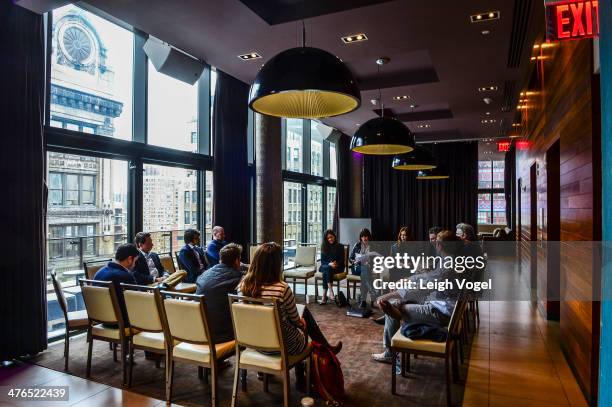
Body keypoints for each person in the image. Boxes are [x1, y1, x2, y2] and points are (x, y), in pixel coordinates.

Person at [371, 230, 462, 363]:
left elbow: (422, 288)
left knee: (392, 305)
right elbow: (426, 278)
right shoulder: (450, 260)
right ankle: (393, 310)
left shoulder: (447, 267)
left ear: (439, 246)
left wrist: (389, 294)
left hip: (439, 312)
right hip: (439, 305)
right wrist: (408, 279)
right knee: (395, 303)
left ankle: (390, 352)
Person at [238, 242, 341, 356]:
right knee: (303, 314)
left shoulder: (243, 287)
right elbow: (296, 321)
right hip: (285, 346)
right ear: (276, 265)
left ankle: (263, 372)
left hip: (255, 343)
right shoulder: (282, 289)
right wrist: (302, 323)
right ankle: (326, 350)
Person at [196, 243, 245, 344]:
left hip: (200, 331)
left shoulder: (203, 275)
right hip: (223, 334)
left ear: (221, 259)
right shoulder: (239, 279)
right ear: (237, 261)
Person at [93, 243, 139, 323]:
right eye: (135, 261)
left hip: (100, 320)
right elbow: (136, 302)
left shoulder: (99, 272)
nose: (135, 265)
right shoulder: (125, 276)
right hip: (121, 323)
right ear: (129, 259)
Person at [349, 228, 379, 307]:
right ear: (360, 238)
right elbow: (351, 258)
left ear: (369, 237)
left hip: (368, 268)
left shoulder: (374, 246)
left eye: (366, 236)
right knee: (364, 270)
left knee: (364, 274)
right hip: (356, 267)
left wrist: (369, 262)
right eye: (362, 236)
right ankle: (373, 293)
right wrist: (354, 261)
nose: (364, 238)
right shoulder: (357, 245)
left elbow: (377, 259)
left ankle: (363, 300)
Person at [318, 230, 345, 305]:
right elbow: (323, 261)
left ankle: (324, 296)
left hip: (337, 267)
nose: (330, 239)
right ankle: (330, 291)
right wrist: (330, 264)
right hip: (327, 266)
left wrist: (335, 264)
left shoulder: (340, 246)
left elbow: (341, 260)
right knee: (327, 268)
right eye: (328, 238)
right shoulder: (324, 247)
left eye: (331, 237)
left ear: (334, 237)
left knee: (325, 272)